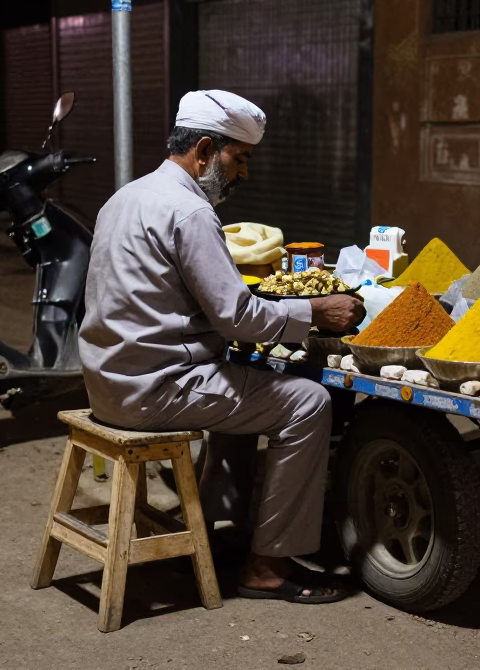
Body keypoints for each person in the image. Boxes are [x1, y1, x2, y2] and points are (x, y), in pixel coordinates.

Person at [79, 89, 365, 604]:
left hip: (108, 380)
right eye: (241, 159)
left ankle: (214, 527)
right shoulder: (189, 212)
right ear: (206, 151)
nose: (244, 174)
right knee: (307, 403)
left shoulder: (126, 196)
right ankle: (268, 566)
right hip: (153, 389)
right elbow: (238, 316)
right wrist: (317, 312)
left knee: (244, 381)